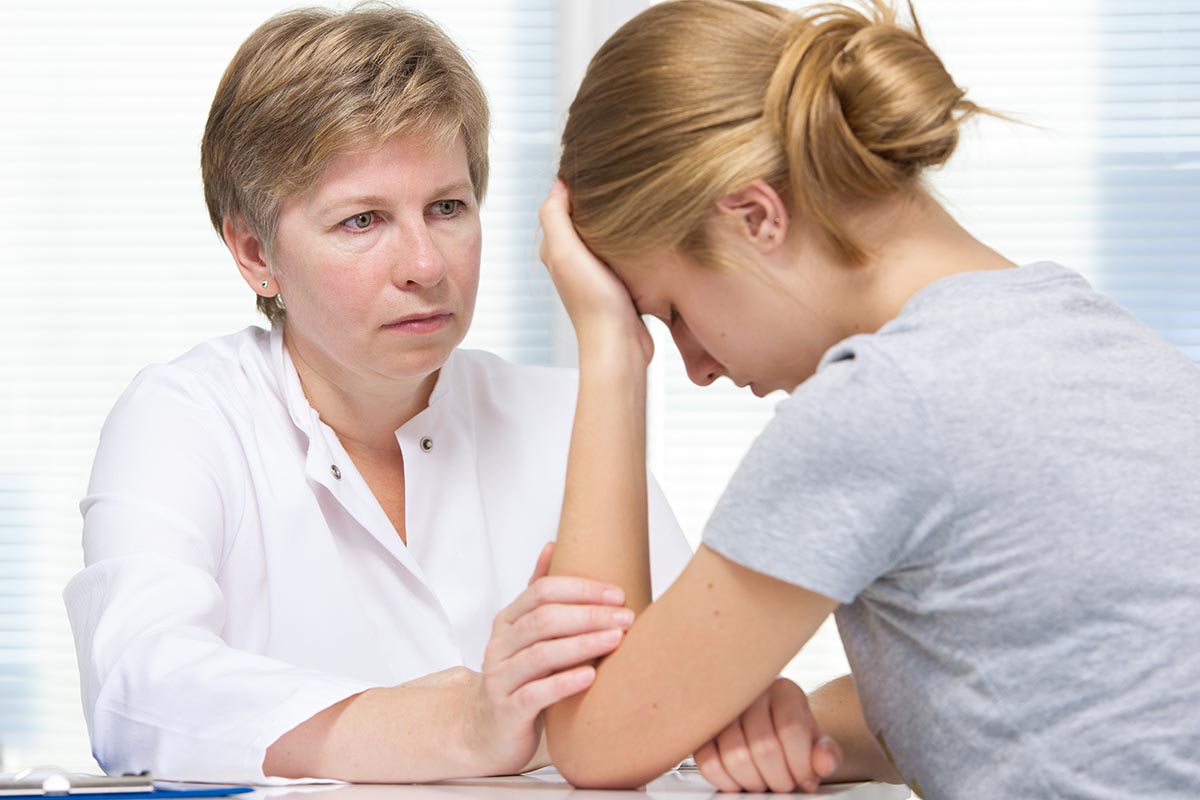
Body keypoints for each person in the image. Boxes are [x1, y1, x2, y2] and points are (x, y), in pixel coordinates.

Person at [536, 0, 1200, 797]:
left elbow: (597, 741)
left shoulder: (882, 405)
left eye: (671, 312)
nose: (696, 367)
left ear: (755, 217)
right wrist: (813, 724)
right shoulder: (1097, 338)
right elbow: (1060, 684)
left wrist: (610, 354)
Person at [60, 5, 700, 785]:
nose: (426, 264)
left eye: (447, 207)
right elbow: (139, 687)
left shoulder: (567, 416)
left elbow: (682, 697)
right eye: (363, 220)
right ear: (255, 251)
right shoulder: (185, 417)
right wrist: (462, 726)